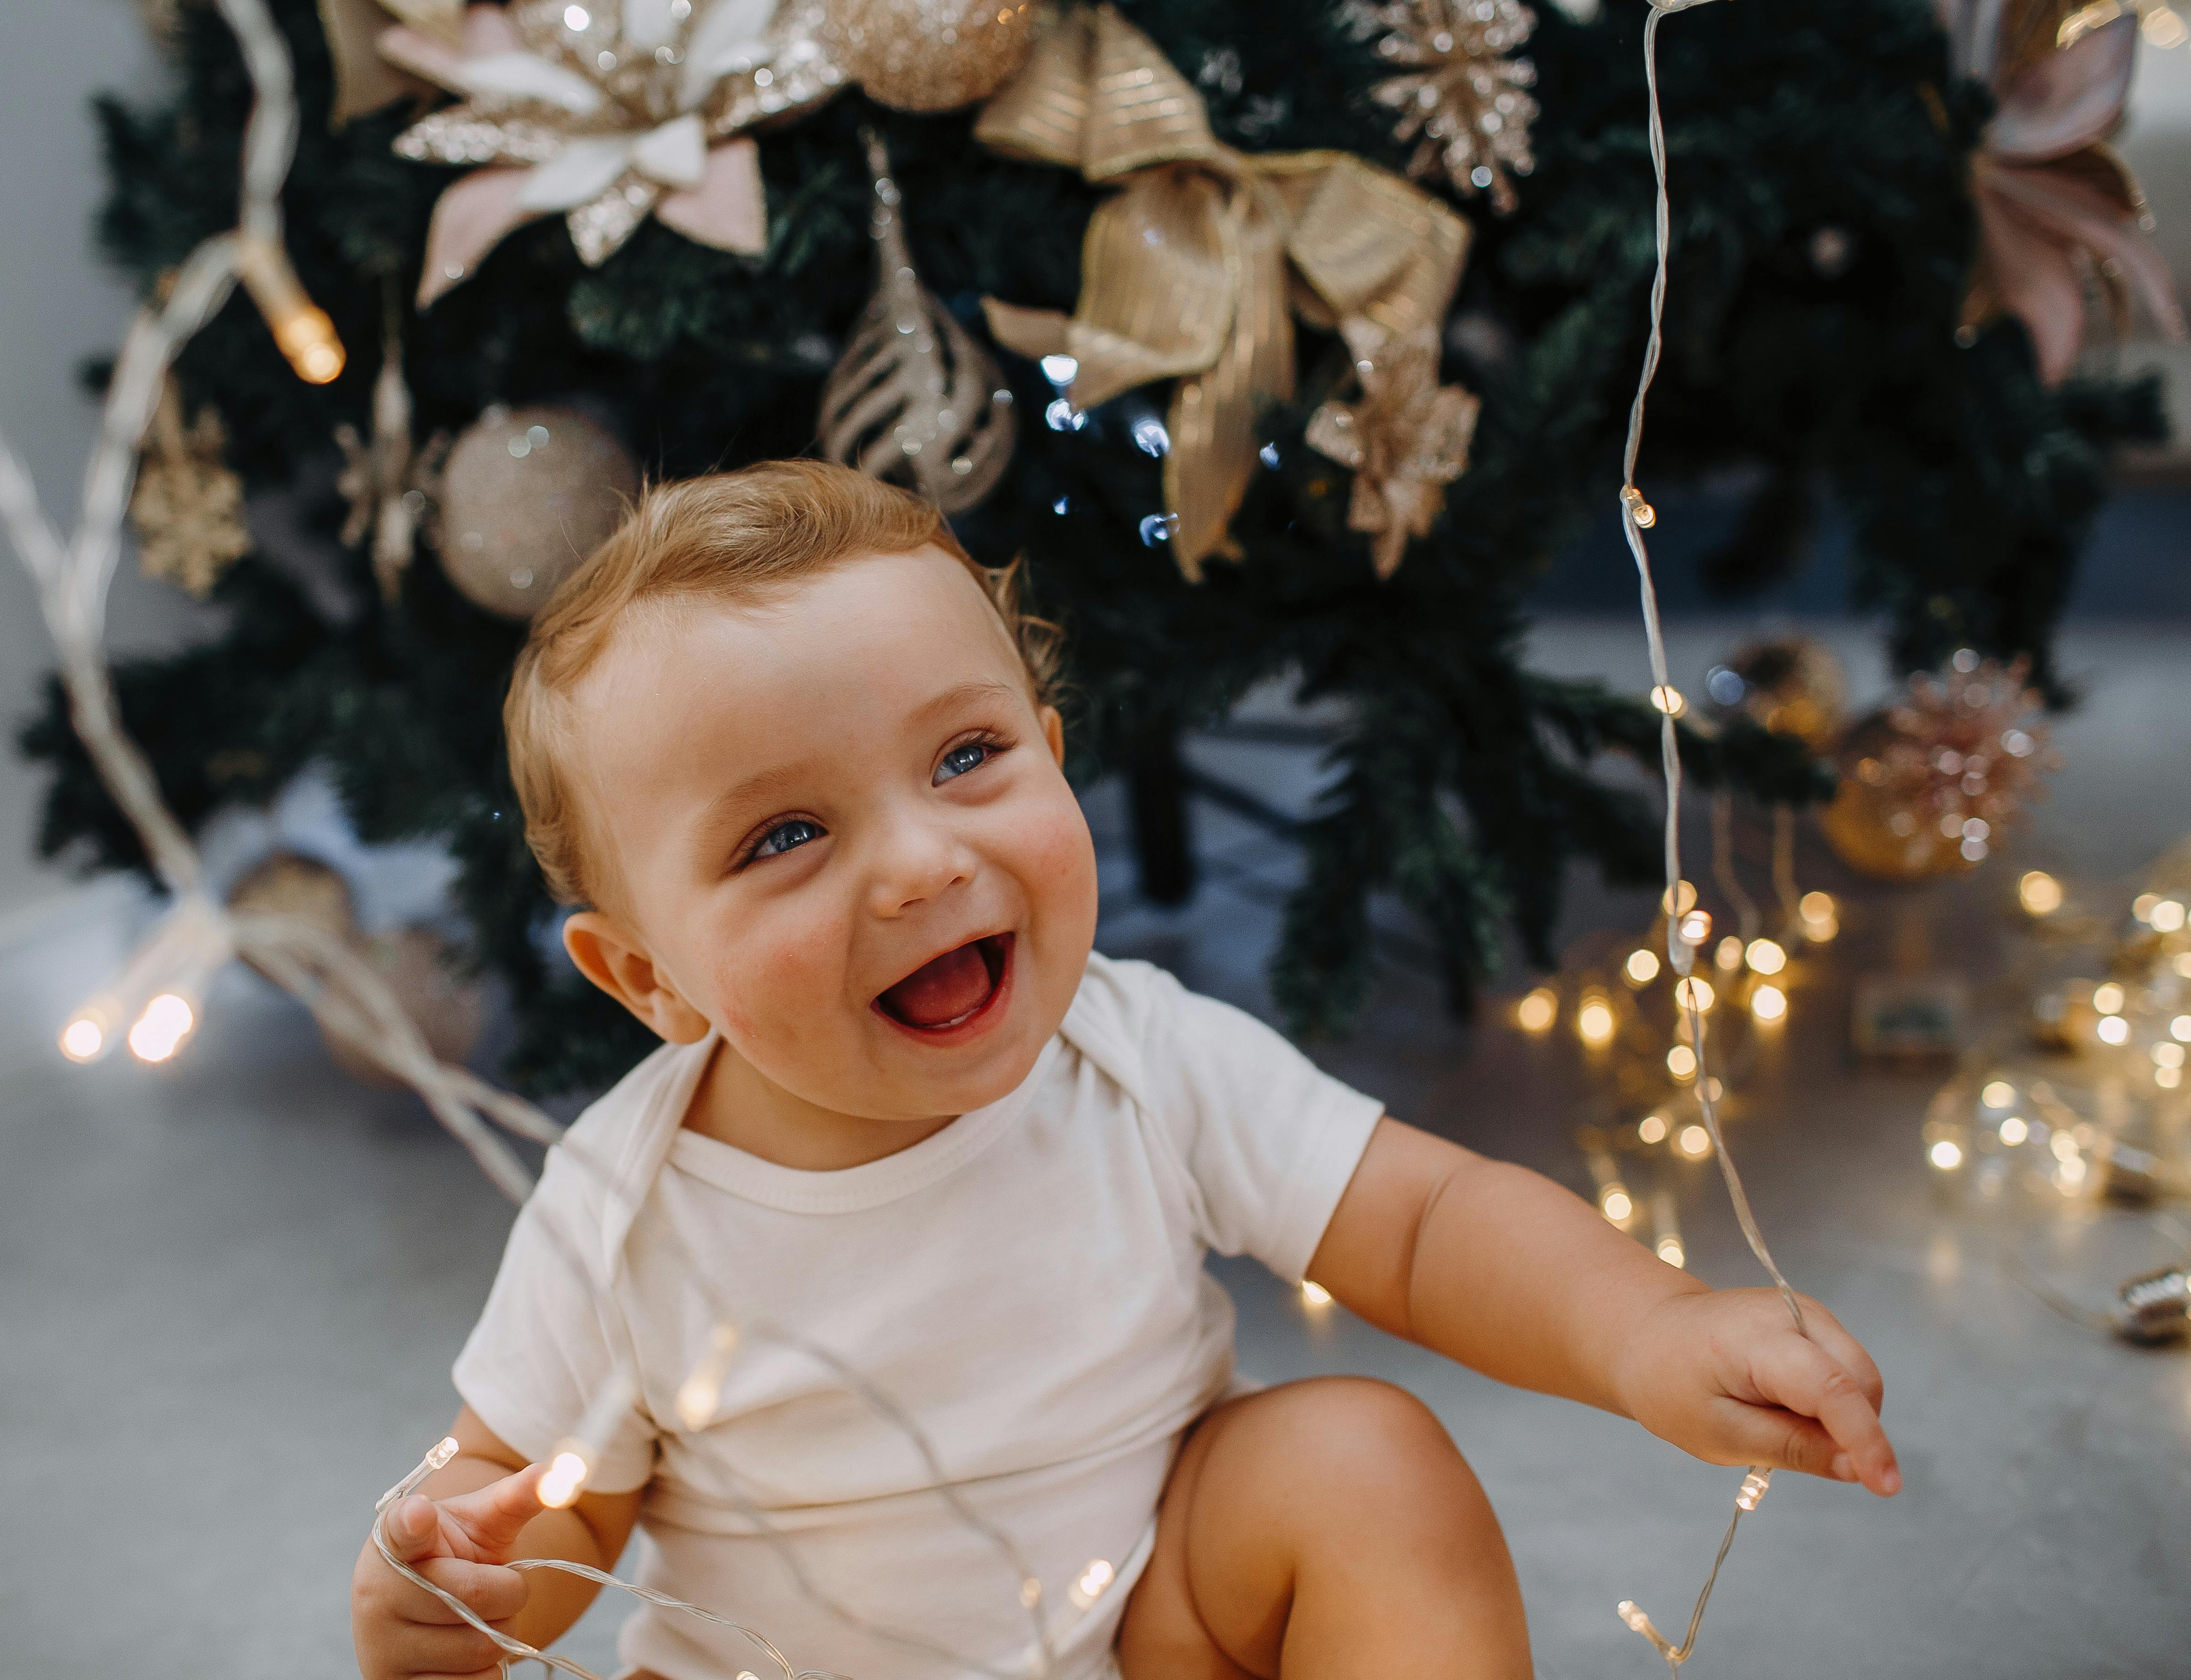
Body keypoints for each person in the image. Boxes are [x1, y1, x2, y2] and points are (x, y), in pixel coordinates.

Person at [351, 461, 1896, 1680]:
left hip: (1161, 1637)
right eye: (784, 836)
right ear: (647, 979)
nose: (919, 866)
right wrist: (463, 1580)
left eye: (966, 759)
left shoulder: (1135, 1053)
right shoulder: (625, 1210)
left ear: (1050, 745)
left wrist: (1648, 1332)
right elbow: (543, 1493)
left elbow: (1420, 1226)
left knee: (1358, 1455)